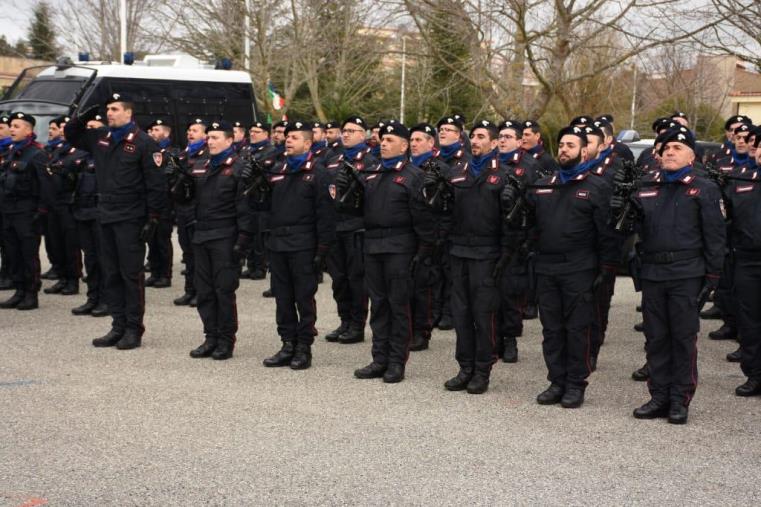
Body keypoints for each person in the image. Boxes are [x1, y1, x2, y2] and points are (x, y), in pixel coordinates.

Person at [614, 126, 725, 424]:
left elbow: (715, 237)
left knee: (682, 338)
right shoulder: (647, 185)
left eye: (677, 147)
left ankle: (680, 399)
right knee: (656, 338)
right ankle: (659, 396)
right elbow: (629, 230)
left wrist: (713, 278)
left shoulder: (704, 188)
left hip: (686, 273)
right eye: (666, 149)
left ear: (692, 155)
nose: (670, 152)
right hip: (653, 272)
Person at [518, 126, 620, 408]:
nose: (564, 149)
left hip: (579, 268)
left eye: (570, 145)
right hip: (547, 268)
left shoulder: (596, 186)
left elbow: (607, 234)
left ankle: (576, 383)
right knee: (551, 329)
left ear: (584, 151)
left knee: (577, 329)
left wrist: (605, 269)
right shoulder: (544, 184)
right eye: (561, 144)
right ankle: (556, 380)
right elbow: (532, 225)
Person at [65, 93, 168, 349]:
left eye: (114, 109)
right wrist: (82, 117)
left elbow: (156, 186)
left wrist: (152, 219)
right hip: (106, 215)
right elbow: (72, 135)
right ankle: (117, 325)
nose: (109, 113)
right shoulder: (102, 137)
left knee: (130, 275)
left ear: (128, 113)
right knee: (110, 273)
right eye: (107, 109)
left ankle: (133, 329)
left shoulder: (144, 143)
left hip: (131, 218)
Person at [336, 123, 435, 383]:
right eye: (383, 139)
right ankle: (379, 358)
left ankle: (396, 361)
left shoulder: (415, 176)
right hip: (373, 245)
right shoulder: (371, 173)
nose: (384, 143)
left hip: (400, 247)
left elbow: (423, 218)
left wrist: (422, 251)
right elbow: (358, 211)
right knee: (379, 305)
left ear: (404, 146)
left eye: (390, 140)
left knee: (398, 305)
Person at [426, 119, 506, 393]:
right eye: (473, 136)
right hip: (458, 251)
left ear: (494, 143)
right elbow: (445, 214)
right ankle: (465, 367)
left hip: (487, 254)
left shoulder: (503, 175)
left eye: (482, 136)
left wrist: (505, 257)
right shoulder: (457, 172)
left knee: (483, 315)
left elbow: (510, 223)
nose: (476, 140)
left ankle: (482, 370)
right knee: (461, 314)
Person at [256, 121, 334, 370]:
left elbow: (326, 215)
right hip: (278, 243)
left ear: (308, 143)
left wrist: (322, 250)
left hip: (303, 244)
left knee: (303, 297)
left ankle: (304, 347)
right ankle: (287, 343)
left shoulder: (319, 173)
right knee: (283, 297)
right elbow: (265, 208)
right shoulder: (278, 169)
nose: (289, 140)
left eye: (295, 137)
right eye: (287, 136)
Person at [177, 120, 254, 360]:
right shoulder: (200, 165)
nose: (210, 141)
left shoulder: (240, 167)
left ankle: (225, 340)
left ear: (230, 140)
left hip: (225, 236)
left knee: (223, 291)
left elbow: (246, 208)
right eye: (208, 137)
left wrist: (243, 240)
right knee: (205, 291)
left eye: (215, 137)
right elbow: (186, 199)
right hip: (202, 235)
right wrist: (177, 179)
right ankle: (210, 336)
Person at [322, 116, 375, 344]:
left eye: (353, 131)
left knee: (356, 279)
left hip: (357, 227)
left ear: (363, 135)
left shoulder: (372, 161)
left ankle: (357, 324)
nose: (347, 134)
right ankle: (344, 320)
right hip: (336, 226)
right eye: (345, 130)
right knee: (339, 279)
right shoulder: (333, 159)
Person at [496, 119, 539, 363]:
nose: (503, 140)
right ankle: (493, 338)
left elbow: (535, 207)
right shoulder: (488, 165)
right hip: (491, 237)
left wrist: (528, 241)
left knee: (509, 293)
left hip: (515, 239)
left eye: (508, 136)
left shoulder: (528, 166)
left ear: (520, 141)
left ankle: (510, 339)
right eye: (500, 136)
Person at [0, 112, 51, 310]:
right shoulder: (12, 151)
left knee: (28, 253)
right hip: (8, 210)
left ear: (29, 130)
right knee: (12, 253)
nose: (12, 129)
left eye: (17, 126)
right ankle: (19, 290)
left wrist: (41, 211)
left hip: (27, 211)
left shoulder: (37, 154)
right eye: (11, 125)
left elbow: (46, 186)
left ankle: (31, 293)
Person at [42, 115, 85, 297]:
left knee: (70, 245)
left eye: (64, 126)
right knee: (56, 242)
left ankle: (72, 280)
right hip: (54, 203)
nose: (61, 130)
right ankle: (62, 277)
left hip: (69, 204)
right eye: (60, 127)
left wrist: (67, 174)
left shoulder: (81, 151)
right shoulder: (59, 150)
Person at [71, 112, 109, 317]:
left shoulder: (107, 153)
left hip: (100, 212)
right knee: (90, 258)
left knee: (104, 259)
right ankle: (92, 297)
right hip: (83, 210)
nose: (91, 132)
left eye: (96, 128)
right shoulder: (81, 155)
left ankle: (106, 299)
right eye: (89, 128)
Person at [173, 118, 209, 306]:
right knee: (187, 254)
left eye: (194, 130)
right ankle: (189, 290)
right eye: (189, 130)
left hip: (197, 210)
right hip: (182, 209)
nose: (190, 133)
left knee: (198, 256)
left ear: (205, 135)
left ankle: (200, 292)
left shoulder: (208, 154)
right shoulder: (182, 154)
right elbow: (173, 176)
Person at [145, 118, 175, 289]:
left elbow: (169, 177)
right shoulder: (149, 150)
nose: (152, 133)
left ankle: (165, 274)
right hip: (151, 202)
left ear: (166, 132)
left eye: (156, 129)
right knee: (152, 239)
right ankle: (155, 272)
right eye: (150, 131)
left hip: (164, 203)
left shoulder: (171, 153)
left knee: (162, 239)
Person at [0, 115, 14, 290]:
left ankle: (9, 273)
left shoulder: (11, 150)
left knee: (8, 242)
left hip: (10, 203)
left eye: (2, 128)